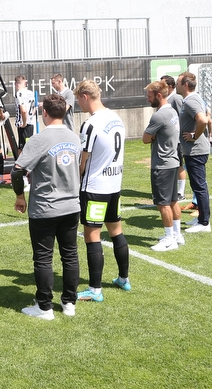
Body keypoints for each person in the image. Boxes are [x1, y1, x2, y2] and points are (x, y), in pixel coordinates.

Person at [13, 93, 80, 320]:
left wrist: (20, 196)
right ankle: (69, 302)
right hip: (71, 206)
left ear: (44, 113)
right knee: (70, 255)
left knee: (43, 257)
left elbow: (17, 169)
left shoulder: (39, 139)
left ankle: (44, 307)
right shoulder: (74, 137)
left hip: (45, 207)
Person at [74, 80, 130, 303]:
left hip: (95, 188)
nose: (78, 103)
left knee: (92, 235)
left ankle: (95, 290)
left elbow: (82, 161)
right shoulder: (116, 118)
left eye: (79, 99)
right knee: (116, 231)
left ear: (86, 96)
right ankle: (123, 278)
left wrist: (75, 178)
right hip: (114, 186)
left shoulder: (91, 124)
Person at [143, 81, 184, 252]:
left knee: (163, 204)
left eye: (150, 96)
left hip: (162, 165)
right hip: (173, 162)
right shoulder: (172, 111)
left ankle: (169, 238)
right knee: (173, 200)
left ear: (159, 96)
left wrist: (152, 137)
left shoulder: (159, 116)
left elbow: (145, 138)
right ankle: (177, 234)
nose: (147, 99)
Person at [177, 72, 212, 233]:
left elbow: (203, 120)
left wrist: (194, 135)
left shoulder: (191, 100)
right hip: (194, 151)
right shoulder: (192, 99)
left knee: (199, 186)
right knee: (198, 185)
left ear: (185, 85)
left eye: (178, 83)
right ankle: (201, 219)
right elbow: (207, 116)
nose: (176, 85)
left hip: (196, 151)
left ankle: (204, 223)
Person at [161, 75, 189, 202]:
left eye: (163, 85)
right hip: (169, 140)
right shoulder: (166, 99)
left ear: (171, 86)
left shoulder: (176, 98)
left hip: (177, 139)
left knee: (179, 165)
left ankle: (180, 192)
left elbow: (181, 117)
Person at [14, 75, 36, 154]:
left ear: (16, 84)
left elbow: (23, 110)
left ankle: (21, 165)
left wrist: (24, 123)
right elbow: (34, 109)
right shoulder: (30, 92)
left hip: (24, 124)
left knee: (22, 147)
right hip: (30, 123)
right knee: (28, 145)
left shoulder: (19, 93)